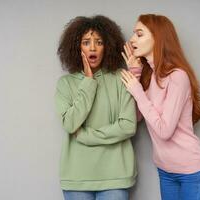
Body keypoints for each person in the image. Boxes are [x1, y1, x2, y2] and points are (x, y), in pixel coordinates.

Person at [120, 14, 200, 200]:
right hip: (165, 171)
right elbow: (137, 117)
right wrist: (136, 74)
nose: (132, 40)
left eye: (139, 34)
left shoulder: (178, 76)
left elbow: (164, 130)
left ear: (158, 38)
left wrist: (136, 90)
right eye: (133, 34)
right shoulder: (150, 76)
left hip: (192, 173)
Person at [55, 15, 137, 200]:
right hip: (77, 177)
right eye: (86, 42)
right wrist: (89, 82)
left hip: (115, 176)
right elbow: (70, 124)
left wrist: (86, 136)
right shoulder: (65, 84)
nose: (92, 47)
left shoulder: (121, 79)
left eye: (99, 42)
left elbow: (128, 126)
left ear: (107, 46)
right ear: (76, 47)